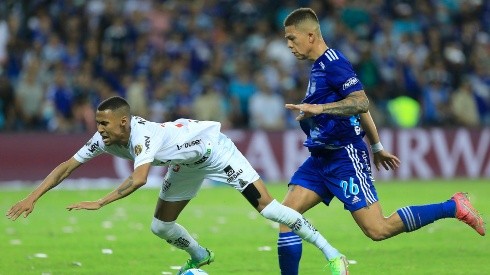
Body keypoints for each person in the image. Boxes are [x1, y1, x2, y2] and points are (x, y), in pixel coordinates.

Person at [6, 96, 346, 275]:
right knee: (160, 225)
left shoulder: (142, 136)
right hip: (185, 165)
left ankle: (333, 255)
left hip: (216, 151)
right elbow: (67, 166)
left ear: (123, 121)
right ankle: (199, 256)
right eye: (97, 123)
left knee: (268, 208)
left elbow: (139, 179)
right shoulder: (104, 139)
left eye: (104, 123)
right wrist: (32, 196)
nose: (99, 129)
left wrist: (100, 202)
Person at [277, 7, 486, 275]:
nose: (289, 45)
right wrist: (377, 146)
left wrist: (319, 110)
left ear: (310, 35)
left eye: (292, 38)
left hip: (344, 158)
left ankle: (454, 206)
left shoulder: (334, 64)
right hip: (320, 158)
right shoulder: (318, 67)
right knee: (285, 216)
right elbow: (361, 109)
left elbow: (361, 102)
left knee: (378, 229)